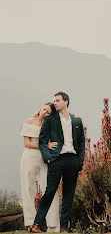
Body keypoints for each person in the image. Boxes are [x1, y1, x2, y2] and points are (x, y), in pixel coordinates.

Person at [30, 92, 85, 233]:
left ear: (66, 102)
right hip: (56, 160)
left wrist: (80, 161)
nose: (55, 103)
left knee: (68, 194)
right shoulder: (50, 120)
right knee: (50, 191)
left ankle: (64, 228)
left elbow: (81, 142)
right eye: (54, 101)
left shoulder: (77, 120)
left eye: (58, 100)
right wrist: (48, 158)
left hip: (73, 160)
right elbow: (42, 141)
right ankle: (36, 224)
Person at [20, 102, 60, 232]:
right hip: (29, 158)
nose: (44, 112)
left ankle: (53, 224)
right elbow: (27, 143)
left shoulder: (49, 125)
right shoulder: (29, 121)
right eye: (44, 109)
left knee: (49, 189)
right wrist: (44, 146)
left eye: (48, 112)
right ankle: (31, 223)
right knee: (28, 189)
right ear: (40, 108)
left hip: (45, 159)